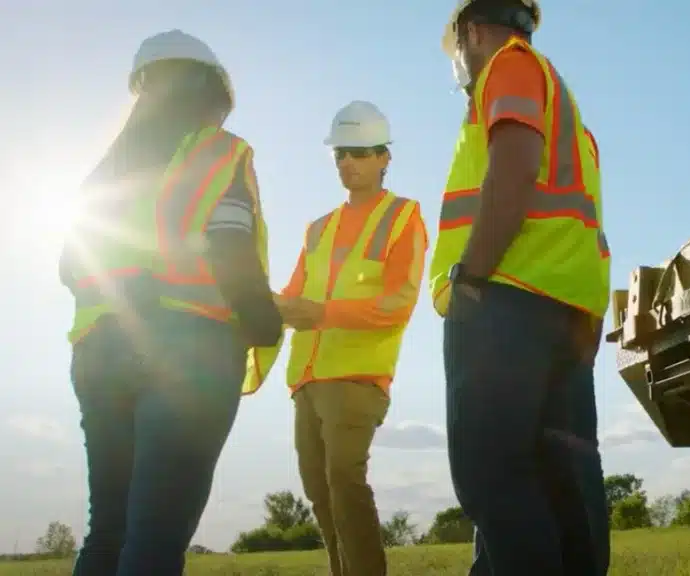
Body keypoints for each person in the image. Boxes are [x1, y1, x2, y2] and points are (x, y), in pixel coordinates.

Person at [60, 30, 282, 576]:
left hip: (98, 355)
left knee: (106, 533)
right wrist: (264, 322)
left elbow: (69, 265)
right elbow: (230, 244)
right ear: (213, 93)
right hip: (187, 353)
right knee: (154, 541)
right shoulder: (219, 152)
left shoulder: (102, 171)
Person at [429, 1, 612, 574]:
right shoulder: (568, 113)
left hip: (501, 303)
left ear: (472, 31)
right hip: (561, 317)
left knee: (492, 477)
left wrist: (470, 275)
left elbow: (514, 165)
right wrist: (587, 316)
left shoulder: (508, 65)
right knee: (561, 481)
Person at [243, 101, 428, 576]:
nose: (349, 163)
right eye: (341, 153)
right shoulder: (317, 229)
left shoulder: (404, 217)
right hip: (306, 378)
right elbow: (294, 295)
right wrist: (256, 302)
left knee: (344, 478)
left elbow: (399, 302)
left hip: (357, 378)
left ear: (385, 157)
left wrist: (321, 313)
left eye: (360, 153)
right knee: (319, 490)